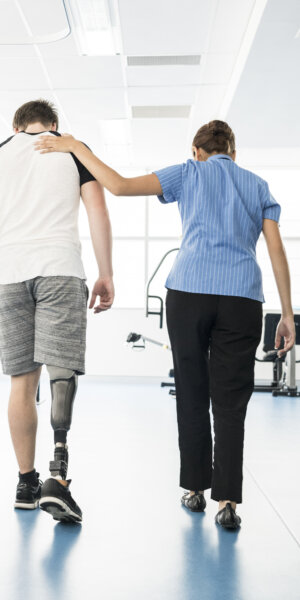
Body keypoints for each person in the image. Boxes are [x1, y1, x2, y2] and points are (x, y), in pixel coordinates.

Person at [35, 120, 295, 529]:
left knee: (191, 390)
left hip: (189, 293)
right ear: (233, 152)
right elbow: (276, 248)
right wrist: (287, 313)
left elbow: (118, 186)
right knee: (231, 402)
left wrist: (75, 146)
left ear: (197, 150)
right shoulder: (257, 185)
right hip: (243, 296)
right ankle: (227, 501)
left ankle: (194, 489)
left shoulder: (188, 172)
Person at [0, 99, 114, 523]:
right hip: (61, 269)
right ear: (54, 125)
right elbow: (98, 210)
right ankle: (57, 477)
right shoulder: (70, 148)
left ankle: (25, 481)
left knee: (21, 384)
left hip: (9, 274)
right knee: (61, 372)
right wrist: (106, 273)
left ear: (16, 125)